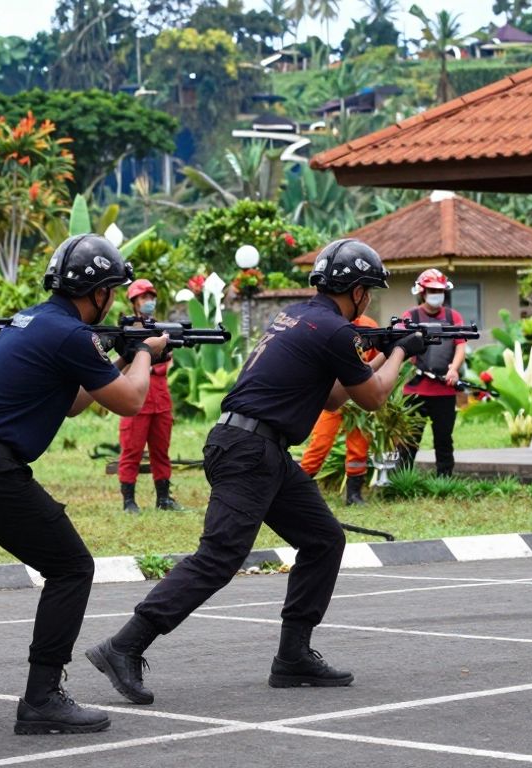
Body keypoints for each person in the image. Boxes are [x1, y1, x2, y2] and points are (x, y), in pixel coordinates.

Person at [85, 238, 427, 705]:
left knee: (324, 539)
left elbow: (333, 396)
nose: (369, 299)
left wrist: (378, 354)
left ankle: (293, 655)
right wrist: (402, 351)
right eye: (369, 290)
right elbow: (373, 397)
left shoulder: (298, 317)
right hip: (250, 451)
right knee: (219, 556)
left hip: (257, 447)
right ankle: (124, 645)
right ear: (358, 291)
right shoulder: (333, 329)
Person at [0, 234, 168, 735]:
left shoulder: (34, 320)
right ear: (100, 293)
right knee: (71, 567)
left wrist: (123, 357)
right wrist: (146, 352)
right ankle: (42, 697)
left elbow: (74, 402)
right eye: (112, 291)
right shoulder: (71, 334)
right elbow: (130, 402)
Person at [298, 314, 381, 505]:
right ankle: (297, 488)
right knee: (320, 443)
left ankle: (354, 494)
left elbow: (376, 361)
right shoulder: (328, 324)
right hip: (331, 395)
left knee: (359, 446)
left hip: (358, 397)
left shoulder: (369, 325)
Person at [117, 278, 183, 513]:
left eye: (151, 297)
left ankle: (164, 499)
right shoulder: (126, 332)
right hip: (135, 401)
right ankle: (129, 502)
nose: (149, 301)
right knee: (131, 451)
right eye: (144, 297)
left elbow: (167, 361)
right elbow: (126, 366)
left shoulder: (159, 329)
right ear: (134, 301)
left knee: (161, 451)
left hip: (160, 400)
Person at [396, 268, 468, 477]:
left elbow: (460, 344)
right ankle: (403, 478)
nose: (437, 294)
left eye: (440, 291)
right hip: (415, 389)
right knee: (410, 438)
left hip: (444, 388)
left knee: (444, 438)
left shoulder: (453, 316)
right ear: (422, 292)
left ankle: (445, 479)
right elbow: (400, 345)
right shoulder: (410, 316)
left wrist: (454, 369)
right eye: (432, 290)